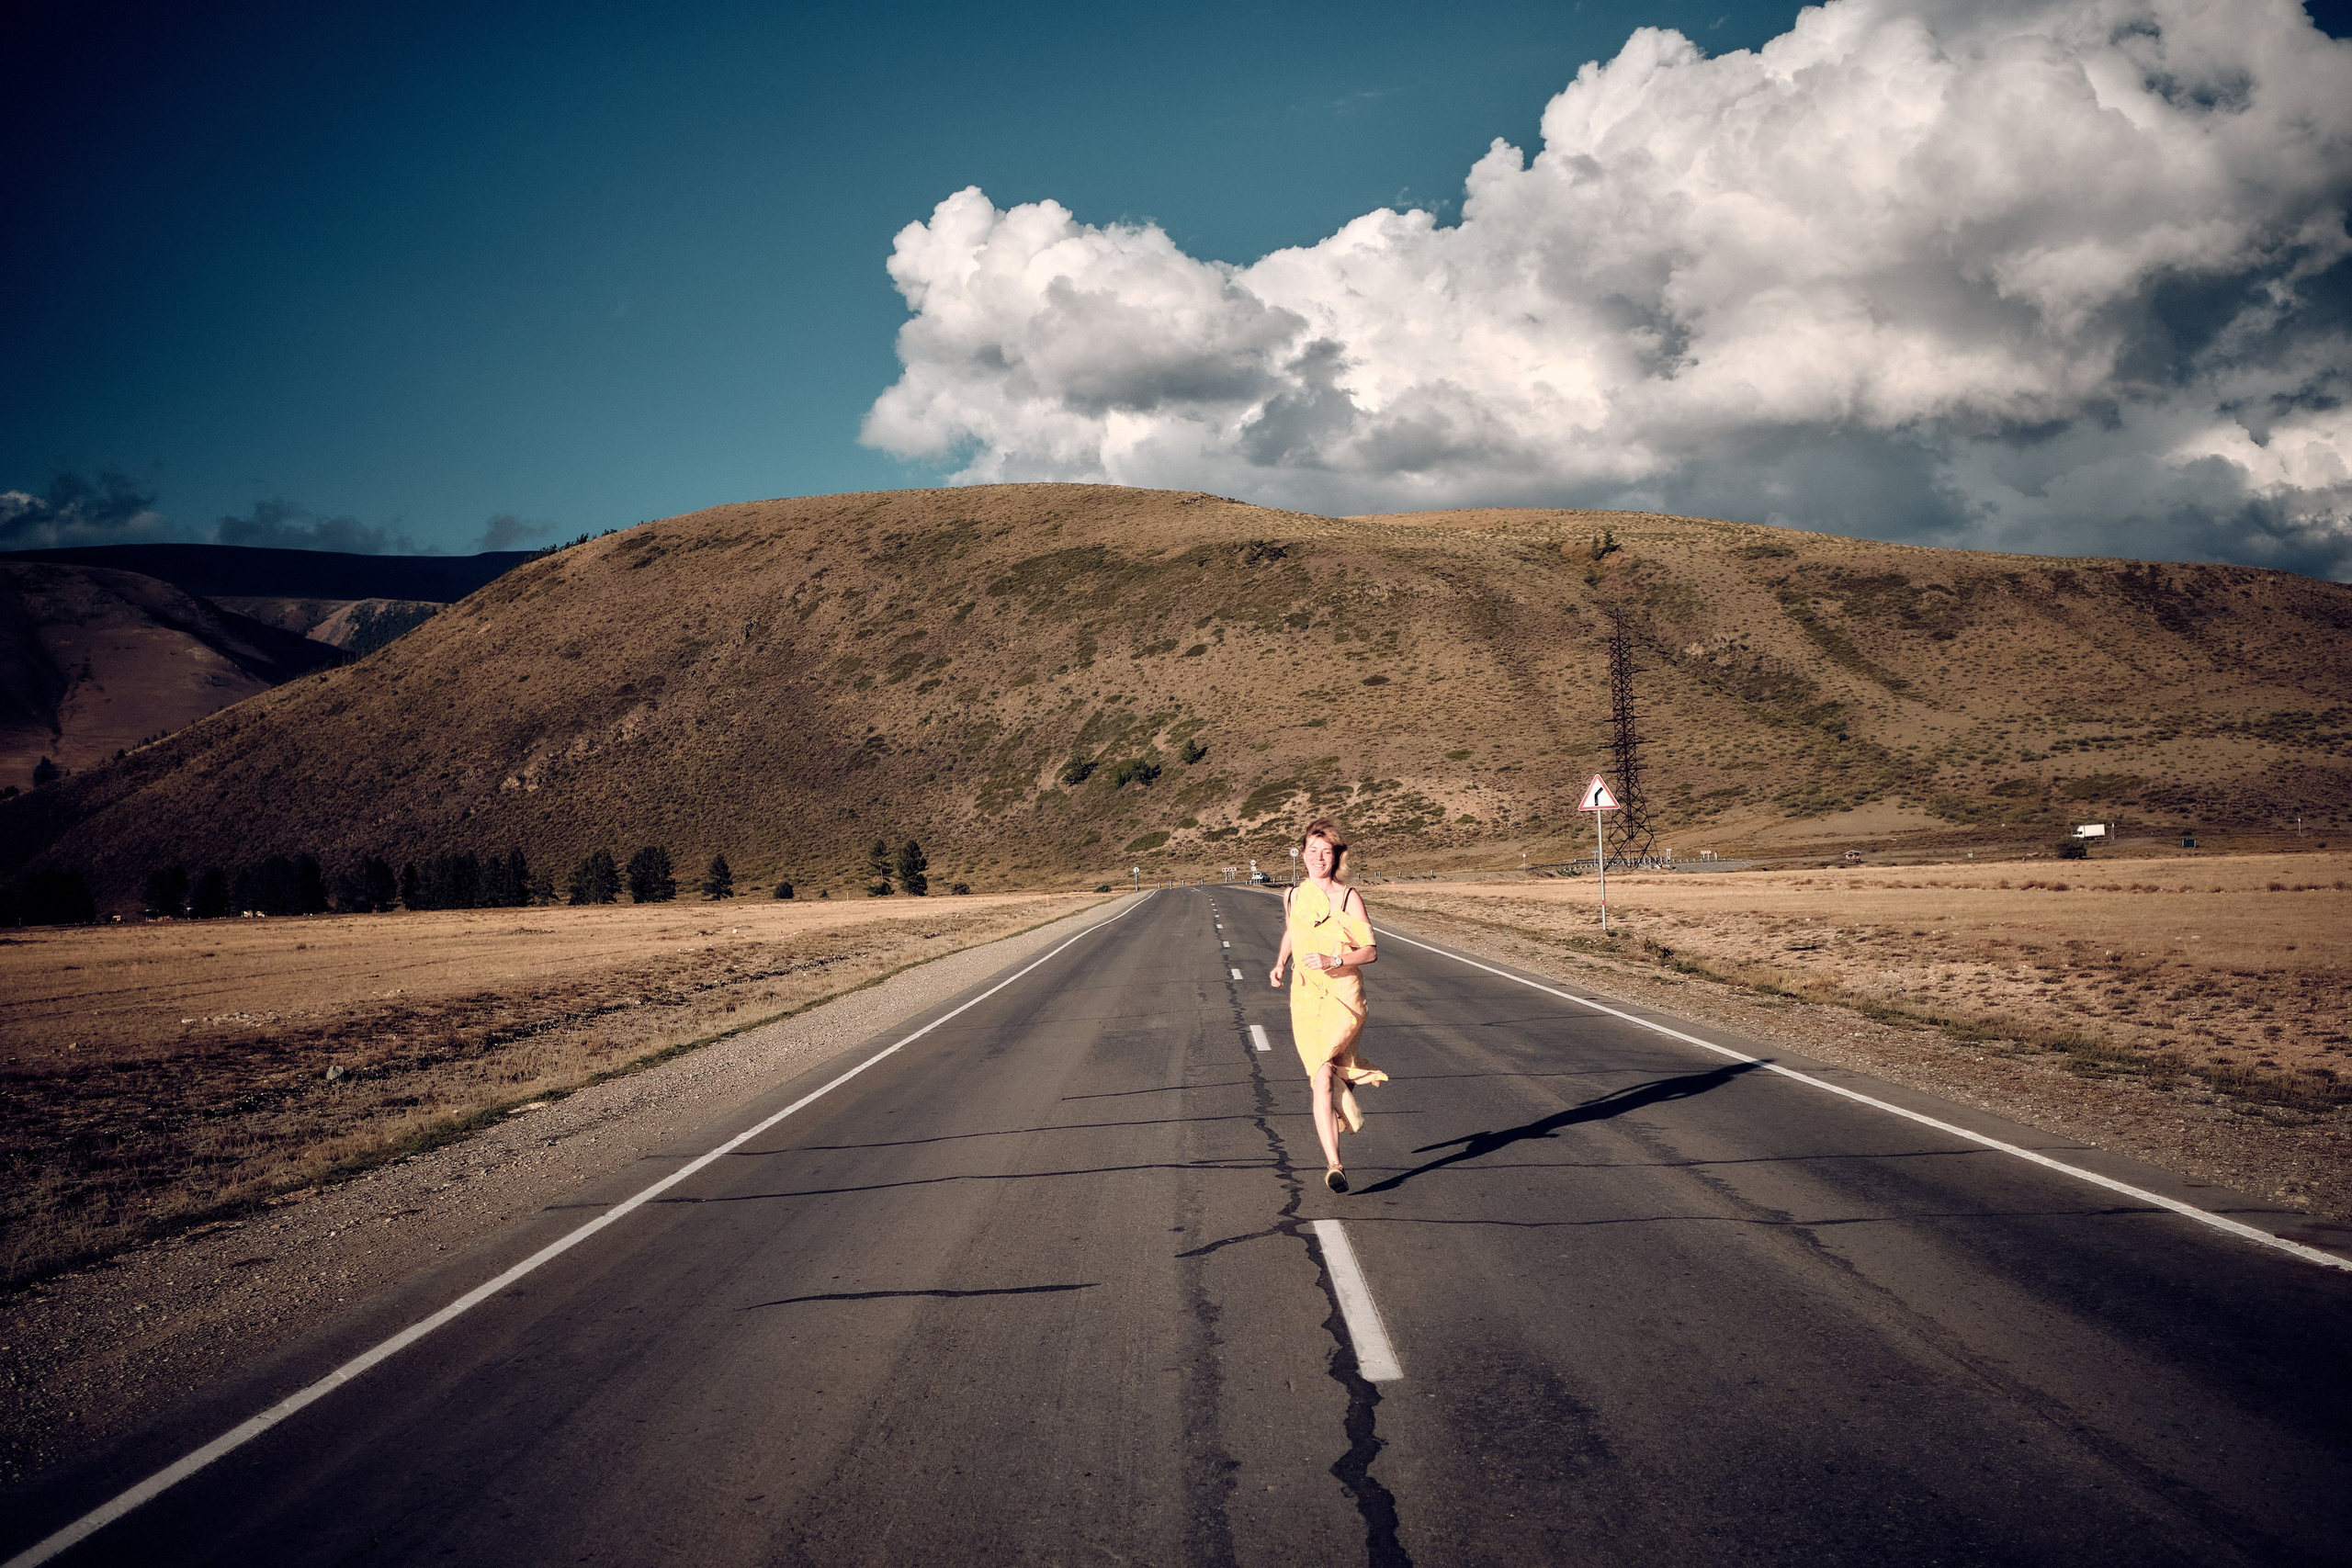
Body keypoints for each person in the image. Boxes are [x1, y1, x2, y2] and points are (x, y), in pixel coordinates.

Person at [1268, 818, 1385, 1192]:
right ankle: (1334, 1165)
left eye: (1327, 851)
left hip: (1342, 996)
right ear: (1302, 854)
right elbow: (1293, 930)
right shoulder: (1292, 895)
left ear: (1336, 856)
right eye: (1313, 850)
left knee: (1334, 1068)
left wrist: (1334, 959)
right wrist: (1281, 962)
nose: (1319, 858)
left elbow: (1369, 951)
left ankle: (1343, 1098)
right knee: (1319, 1076)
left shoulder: (1348, 897)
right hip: (1304, 995)